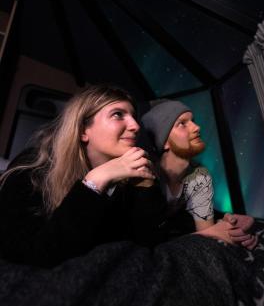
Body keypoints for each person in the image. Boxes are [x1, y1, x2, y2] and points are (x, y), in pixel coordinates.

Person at [0, 85, 248, 267]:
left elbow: (147, 245)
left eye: (133, 116)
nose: (136, 126)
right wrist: (95, 181)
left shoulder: (135, 176)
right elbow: (36, 256)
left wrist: (144, 184)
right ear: (83, 130)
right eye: (118, 114)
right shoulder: (31, 169)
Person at [141, 99, 257, 249]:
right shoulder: (146, 174)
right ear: (164, 142)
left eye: (193, 121)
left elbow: (206, 230)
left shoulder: (199, 176)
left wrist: (231, 230)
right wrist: (215, 232)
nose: (197, 127)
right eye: (182, 123)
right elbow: (147, 241)